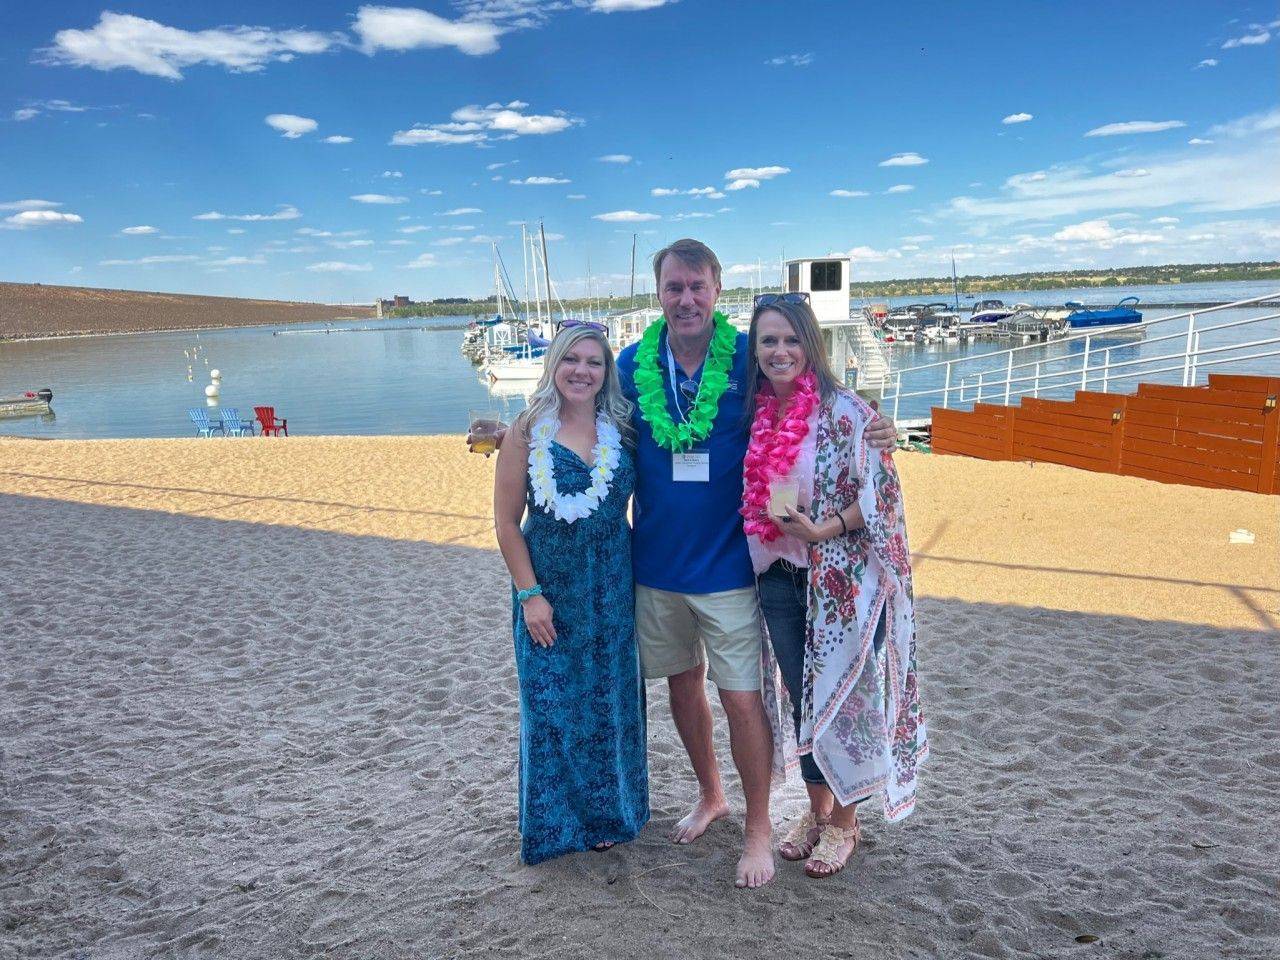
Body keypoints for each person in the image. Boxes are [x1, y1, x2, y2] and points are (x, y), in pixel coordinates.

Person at [473, 239, 899, 888]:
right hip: (652, 566)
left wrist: (872, 421)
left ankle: (758, 826)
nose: (686, 299)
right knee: (681, 686)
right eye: (674, 287)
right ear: (659, 293)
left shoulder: (745, 364)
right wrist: (511, 435)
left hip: (730, 565)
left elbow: (800, 396)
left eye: (697, 286)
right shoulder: (631, 362)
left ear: (717, 289)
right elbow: (580, 414)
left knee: (742, 701)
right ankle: (711, 794)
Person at [739, 293, 926, 879]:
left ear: (811, 344)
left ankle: (846, 822)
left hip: (839, 584)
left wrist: (826, 528)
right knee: (803, 700)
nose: (780, 351)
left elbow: (879, 499)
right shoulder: (755, 412)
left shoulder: (849, 412)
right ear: (756, 349)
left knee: (846, 698)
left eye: (791, 339)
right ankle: (818, 811)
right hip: (777, 576)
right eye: (768, 340)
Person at [492, 323, 649, 864]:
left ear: (607, 373)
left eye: (594, 362)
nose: (582, 371)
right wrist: (529, 594)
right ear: (553, 364)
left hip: (611, 586)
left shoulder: (623, 429)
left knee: (608, 701)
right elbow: (507, 522)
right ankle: (555, 822)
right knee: (552, 704)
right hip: (549, 587)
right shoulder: (526, 431)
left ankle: (610, 815)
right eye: (571, 360)